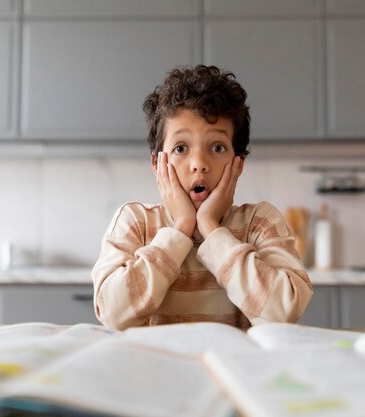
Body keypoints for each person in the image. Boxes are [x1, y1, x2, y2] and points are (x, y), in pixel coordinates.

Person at [91, 65, 312, 330]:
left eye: (217, 147)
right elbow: (113, 314)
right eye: (181, 148)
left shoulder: (259, 222)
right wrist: (182, 227)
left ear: (238, 164)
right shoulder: (136, 222)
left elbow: (284, 313)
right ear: (157, 163)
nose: (199, 163)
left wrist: (210, 227)